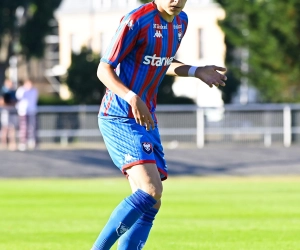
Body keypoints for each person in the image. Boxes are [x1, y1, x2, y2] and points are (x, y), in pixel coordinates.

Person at [92, 1, 227, 249]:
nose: (175, 0)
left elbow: (161, 62)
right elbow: (104, 69)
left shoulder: (181, 22)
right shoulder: (136, 20)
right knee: (150, 190)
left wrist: (196, 70)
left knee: (152, 202)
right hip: (119, 115)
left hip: (146, 117)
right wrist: (132, 97)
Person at [15, 79, 39, 151]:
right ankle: (23, 142)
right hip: (23, 112)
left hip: (32, 111)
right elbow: (18, 98)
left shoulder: (34, 90)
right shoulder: (21, 90)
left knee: (32, 127)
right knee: (23, 128)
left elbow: (34, 100)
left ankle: (32, 141)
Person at [0, 78, 18, 151]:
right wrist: (9, 103)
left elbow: (15, 101)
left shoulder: (13, 92)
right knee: (5, 128)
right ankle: (3, 143)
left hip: (12, 111)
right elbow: (1, 102)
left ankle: (12, 144)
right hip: (5, 111)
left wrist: (12, 102)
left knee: (12, 128)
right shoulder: (3, 91)